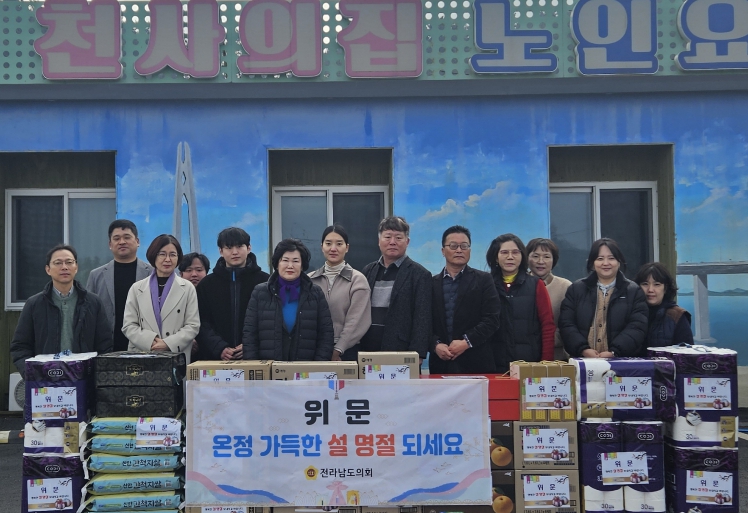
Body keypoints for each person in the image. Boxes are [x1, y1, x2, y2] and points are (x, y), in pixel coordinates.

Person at [11, 244, 113, 377]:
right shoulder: (34, 304)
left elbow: (105, 346)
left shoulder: (93, 302)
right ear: (48, 269)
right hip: (45, 379)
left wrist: (95, 375)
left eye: (69, 262)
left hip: (84, 379)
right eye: (58, 263)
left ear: (76, 267)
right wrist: (32, 374)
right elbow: (20, 346)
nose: (64, 267)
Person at [243, 238, 334, 361]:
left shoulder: (315, 293)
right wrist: (256, 366)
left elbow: (326, 334)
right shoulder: (261, 292)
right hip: (269, 366)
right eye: (285, 260)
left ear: (302, 265)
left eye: (296, 261)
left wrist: (318, 366)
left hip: (306, 368)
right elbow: (250, 334)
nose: (290, 266)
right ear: (277, 264)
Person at [559, 238, 648, 358]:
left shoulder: (633, 291)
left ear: (619, 261)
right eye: (600, 258)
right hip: (581, 360)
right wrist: (583, 349)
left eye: (611, 258)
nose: (606, 263)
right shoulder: (576, 289)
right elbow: (567, 324)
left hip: (620, 362)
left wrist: (614, 352)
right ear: (592, 262)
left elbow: (637, 326)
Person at [359, 216, 432, 361]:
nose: (392, 242)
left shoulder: (420, 274)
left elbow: (423, 318)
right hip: (367, 350)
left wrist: (418, 354)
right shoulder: (368, 271)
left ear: (407, 242)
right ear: (379, 241)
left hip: (401, 351)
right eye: (387, 237)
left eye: (398, 238)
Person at [430, 226, 500, 374]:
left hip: (476, 362)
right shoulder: (430, 283)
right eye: (453, 246)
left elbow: (492, 319)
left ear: (470, 250)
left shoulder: (484, 280)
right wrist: (435, 345)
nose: (459, 250)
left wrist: (466, 342)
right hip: (441, 363)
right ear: (443, 251)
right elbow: (423, 322)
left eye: (464, 246)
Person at [122, 235, 200, 364]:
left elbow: (193, 325)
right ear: (154, 255)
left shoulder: (187, 288)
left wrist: (168, 343)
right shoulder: (137, 288)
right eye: (162, 254)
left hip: (175, 355)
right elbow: (129, 325)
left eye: (172, 255)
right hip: (143, 354)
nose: (167, 259)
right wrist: (150, 341)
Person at [195, 228, 269, 361]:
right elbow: (200, 321)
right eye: (229, 248)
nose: (235, 252)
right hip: (214, 360)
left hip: (255, 359)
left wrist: (250, 345)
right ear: (220, 251)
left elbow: (270, 321)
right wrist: (219, 347)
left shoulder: (265, 282)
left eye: (240, 246)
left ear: (249, 248)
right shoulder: (207, 284)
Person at [485, 233, 555, 372]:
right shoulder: (486, 284)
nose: (510, 257)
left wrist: (545, 363)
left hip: (529, 365)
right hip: (493, 363)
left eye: (515, 252)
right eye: (504, 252)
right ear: (496, 257)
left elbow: (547, 325)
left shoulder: (536, 284)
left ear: (522, 256)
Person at [86, 219, 152, 352]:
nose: (122, 242)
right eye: (116, 238)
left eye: (127, 237)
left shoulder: (152, 273)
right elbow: (88, 313)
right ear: (110, 244)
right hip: (107, 347)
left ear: (137, 241)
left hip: (144, 346)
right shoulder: (96, 275)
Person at [308, 225, 372, 361]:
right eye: (328, 243)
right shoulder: (310, 280)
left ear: (347, 248)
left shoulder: (357, 280)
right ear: (322, 247)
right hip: (313, 348)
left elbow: (357, 321)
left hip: (347, 351)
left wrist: (338, 349)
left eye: (339, 244)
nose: (333, 248)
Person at [526, 238, 573, 361]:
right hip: (524, 355)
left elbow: (572, 324)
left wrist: (551, 338)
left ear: (554, 260)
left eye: (546, 257)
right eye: (535, 256)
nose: (541, 261)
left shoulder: (566, 286)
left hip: (557, 356)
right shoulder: (519, 285)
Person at [634, 262, 693, 351]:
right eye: (645, 284)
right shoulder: (631, 313)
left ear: (665, 288)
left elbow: (687, 354)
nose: (650, 290)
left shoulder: (677, 316)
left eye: (657, 284)